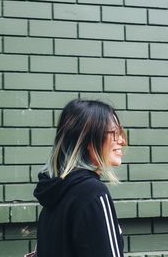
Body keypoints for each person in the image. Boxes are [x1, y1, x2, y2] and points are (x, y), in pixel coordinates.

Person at [33, 99, 127, 257]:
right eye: (115, 133)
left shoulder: (55, 192)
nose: (122, 141)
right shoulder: (93, 192)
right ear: (88, 140)